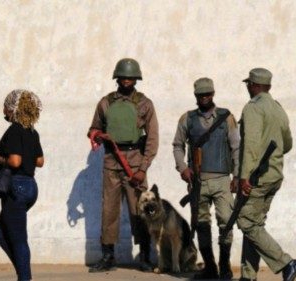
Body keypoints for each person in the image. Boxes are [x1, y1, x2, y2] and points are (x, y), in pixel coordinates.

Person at [87, 58, 159, 272]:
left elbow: (153, 139)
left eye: (131, 77)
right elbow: (93, 128)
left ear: (136, 79)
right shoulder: (105, 103)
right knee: (109, 211)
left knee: (141, 211)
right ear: (117, 78)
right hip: (111, 162)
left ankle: (145, 255)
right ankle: (108, 256)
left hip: (135, 164)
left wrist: (143, 168)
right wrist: (97, 135)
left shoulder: (145, 104)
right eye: (123, 77)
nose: (127, 81)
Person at [237, 68, 296, 281]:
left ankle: (287, 263)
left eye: (248, 84)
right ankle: (248, 276)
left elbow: (251, 145)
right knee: (255, 224)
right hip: (274, 175)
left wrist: (244, 177)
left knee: (246, 222)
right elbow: (288, 144)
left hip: (258, 177)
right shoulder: (278, 109)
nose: (247, 87)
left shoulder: (253, 109)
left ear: (254, 85)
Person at [172, 77, 239, 279]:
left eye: (208, 94)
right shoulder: (187, 119)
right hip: (198, 182)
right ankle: (210, 266)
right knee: (201, 223)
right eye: (201, 95)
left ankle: (224, 264)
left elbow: (236, 147)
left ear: (213, 94)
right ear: (196, 96)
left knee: (226, 221)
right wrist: (183, 168)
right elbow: (177, 145)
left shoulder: (226, 118)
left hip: (221, 180)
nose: (205, 97)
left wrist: (236, 175)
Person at [0, 89, 44, 281]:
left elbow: (15, 162)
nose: (4, 110)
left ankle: (25, 277)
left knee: (18, 240)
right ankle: (23, 273)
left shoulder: (14, 130)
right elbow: (40, 161)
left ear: (13, 109)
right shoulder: (32, 131)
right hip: (31, 187)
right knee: (0, 233)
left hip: (16, 187)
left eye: (5, 107)